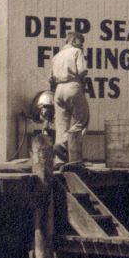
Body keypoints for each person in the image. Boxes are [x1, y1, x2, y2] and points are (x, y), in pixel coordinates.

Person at [48, 32, 89, 165]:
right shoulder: (77, 51)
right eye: (81, 41)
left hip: (59, 89)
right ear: (74, 40)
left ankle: (59, 159)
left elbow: (50, 78)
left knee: (61, 125)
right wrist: (82, 83)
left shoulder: (57, 56)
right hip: (72, 85)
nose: (82, 45)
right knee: (82, 120)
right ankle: (63, 145)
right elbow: (82, 71)